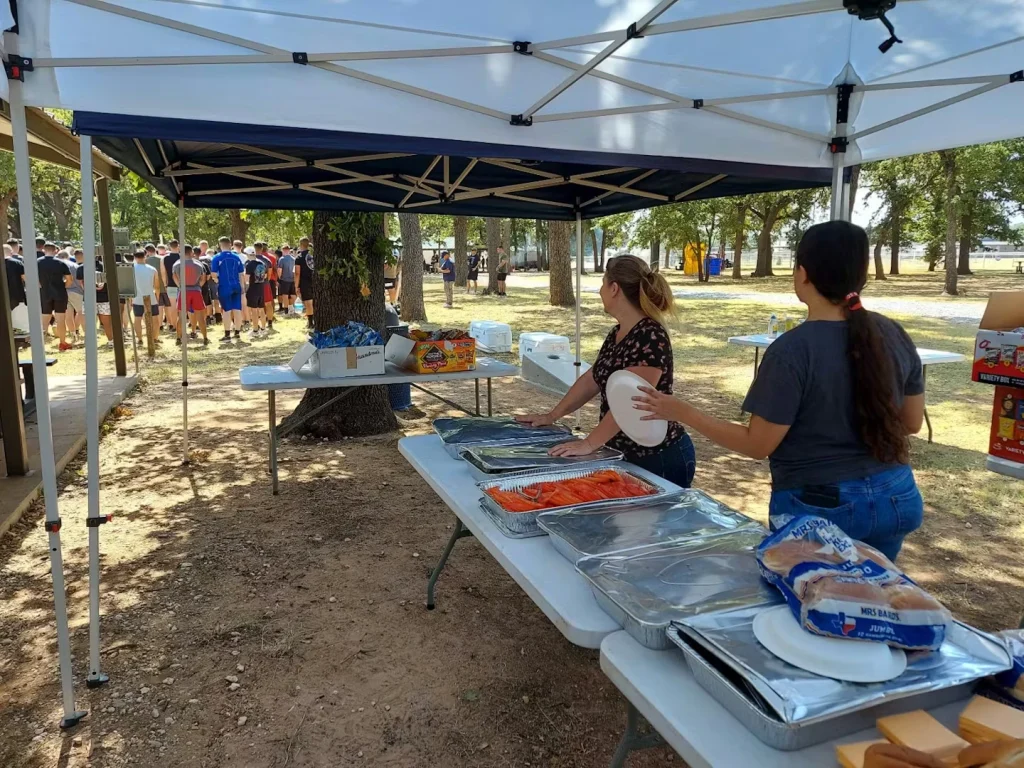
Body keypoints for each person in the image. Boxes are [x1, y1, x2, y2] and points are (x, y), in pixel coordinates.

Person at [633, 221, 925, 561]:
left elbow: (757, 444)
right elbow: (912, 422)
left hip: (822, 505)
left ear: (802, 273)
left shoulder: (792, 350)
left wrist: (683, 412)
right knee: (871, 600)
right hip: (896, 494)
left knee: (814, 600)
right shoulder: (893, 333)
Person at [517, 254, 695, 487]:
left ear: (614, 288)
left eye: (602, 284)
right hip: (624, 453)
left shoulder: (651, 335)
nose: (600, 291)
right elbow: (592, 380)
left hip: (659, 457)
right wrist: (552, 416)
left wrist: (590, 444)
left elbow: (633, 403)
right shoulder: (617, 332)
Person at [38, 242, 74, 351]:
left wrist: (41, 286)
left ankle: (40, 345)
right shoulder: (61, 263)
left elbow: (34, 279)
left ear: (44, 250)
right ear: (55, 251)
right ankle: (62, 343)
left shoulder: (37, 263)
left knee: (44, 320)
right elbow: (69, 279)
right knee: (60, 319)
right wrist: (64, 286)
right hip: (59, 293)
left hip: (44, 293)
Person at [211, 237, 244, 342]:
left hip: (224, 286)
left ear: (220, 245)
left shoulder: (217, 258)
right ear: (230, 245)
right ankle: (237, 332)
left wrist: (217, 281)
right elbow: (241, 274)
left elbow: (214, 274)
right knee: (237, 309)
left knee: (226, 310)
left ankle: (227, 334)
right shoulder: (237, 257)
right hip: (236, 285)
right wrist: (242, 287)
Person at [76, 255, 114, 346]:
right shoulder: (105, 266)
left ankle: (90, 341)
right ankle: (111, 341)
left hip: (89, 298)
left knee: (89, 322)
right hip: (104, 298)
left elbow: (81, 283)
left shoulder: (81, 267)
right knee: (107, 322)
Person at [176, 245, 209, 346]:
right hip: (196, 291)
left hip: (184, 291)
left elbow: (175, 277)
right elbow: (203, 278)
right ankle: (205, 338)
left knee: (182, 316)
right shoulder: (199, 264)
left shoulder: (177, 264)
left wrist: (181, 286)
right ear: (191, 253)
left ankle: (178, 338)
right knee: (200, 316)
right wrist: (198, 286)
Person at [131, 249, 161, 341]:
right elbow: (157, 286)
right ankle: (155, 338)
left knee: (137, 318)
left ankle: (139, 338)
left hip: (137, 298)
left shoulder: (131, 269)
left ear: (135, 257)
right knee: (155, 319)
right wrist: (157, 297)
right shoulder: (152, 269)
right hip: (151, 297)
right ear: (145, 256)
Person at [244, 246, 269, 339]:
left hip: (252, 288)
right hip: (261, 287)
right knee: (261, 309)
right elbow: (265, 275)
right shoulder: (262, 263)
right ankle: (263, 328)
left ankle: (255, 330)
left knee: (254, 310)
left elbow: (246, 279)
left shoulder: (249, 265)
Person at [4, 243, 28, 332]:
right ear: (11, 252)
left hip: (3, 295)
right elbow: (25, 278)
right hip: (17, 294)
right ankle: (20, 335)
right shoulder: (17, 263)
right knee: (18, 318)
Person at [162, 239, 182, 334]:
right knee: (183, 307)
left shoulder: (165, 258)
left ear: (169, 246)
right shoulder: (182, 257)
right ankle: (182, 325)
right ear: (178, 246)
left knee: (173, 307)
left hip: (170, 284)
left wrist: (165, 284)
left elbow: (163, 273)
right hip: (183, 284)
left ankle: (174, 325)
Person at [295, 236, 315, 329]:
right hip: (314, 280)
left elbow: (297, 273)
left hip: (304, 281)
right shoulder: (313, 255)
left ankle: (311, 322)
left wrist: (296, 286)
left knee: (308, 302)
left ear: (300, 245)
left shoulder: (299, 257)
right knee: (314, 301)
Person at [256, 242, 276, 332]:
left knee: (256, 305)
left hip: (256, 284)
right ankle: (270, 322)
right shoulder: (267, 260)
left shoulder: (253, 259)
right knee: (268, 303)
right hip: (265, 283)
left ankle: (260, 323)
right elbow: (269, 273)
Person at [277, 245, 296, 316]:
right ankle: (292, 309)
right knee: (292, 295)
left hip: (284, 279)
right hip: (292, 279)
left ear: (283, 250)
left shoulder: (282, 259)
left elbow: (279, 270)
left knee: (285, 295)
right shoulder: (293, 259)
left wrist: (279, 278)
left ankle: (286, 311)